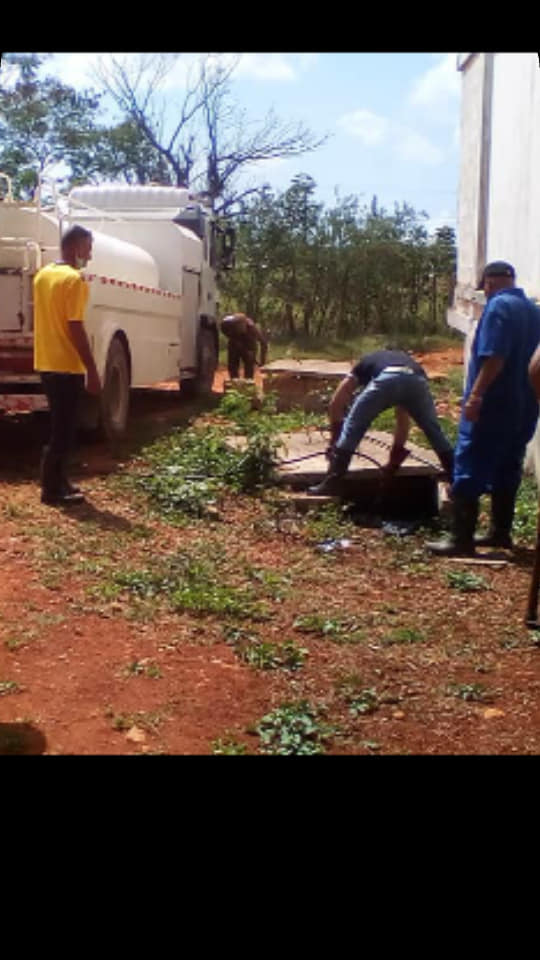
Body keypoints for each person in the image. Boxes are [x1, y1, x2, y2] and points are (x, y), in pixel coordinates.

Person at [427, 261, 540, 556]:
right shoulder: (533, 311)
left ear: (489, 283)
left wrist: (475, 396)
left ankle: (460, 539)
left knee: (470, 462)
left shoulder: (498, 307)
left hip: (493, 404)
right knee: (508, 465)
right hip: (525, 405)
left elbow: (495, 357)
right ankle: (499, 533)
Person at [308, 348, 454, 496]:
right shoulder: (411, 364)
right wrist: (394, 463)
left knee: (353, 427)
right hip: (416, 381)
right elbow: (402, 421)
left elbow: (337, 402)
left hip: (386, 379)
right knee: (434, 432)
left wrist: (335, 441)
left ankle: (333, 483)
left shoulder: (365, 362)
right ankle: (457, 480)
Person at [33, 224, 101, 506]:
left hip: (45, 361)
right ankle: (51, 489)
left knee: (60, 425)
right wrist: (92, 370)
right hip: (66, 364)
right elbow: (75, 327)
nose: (91, 254)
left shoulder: (43, 275)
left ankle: (60, 482)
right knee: (64, 429)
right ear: (74, 248)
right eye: (88, 248)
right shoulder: (74, 280)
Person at [220, 312, 268, 379]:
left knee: (249, 361)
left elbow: (263, 343)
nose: (239, 329)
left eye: (240, 327)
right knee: (232, 365)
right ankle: (234, 381)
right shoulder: (227, 323)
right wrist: (233, 338)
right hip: (234, 342)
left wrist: (262, 361)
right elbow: (223, 329)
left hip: (248, 344)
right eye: (237, 327)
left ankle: (248, 382)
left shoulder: (252, 328)